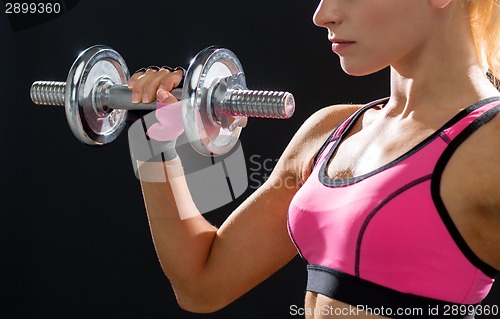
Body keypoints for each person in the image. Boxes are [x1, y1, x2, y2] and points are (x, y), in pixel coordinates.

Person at [127, 0, 500, 318]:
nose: (322, 15)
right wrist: (156, 138)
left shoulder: (491, 143)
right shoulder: (330, 130)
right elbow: (201, 284)